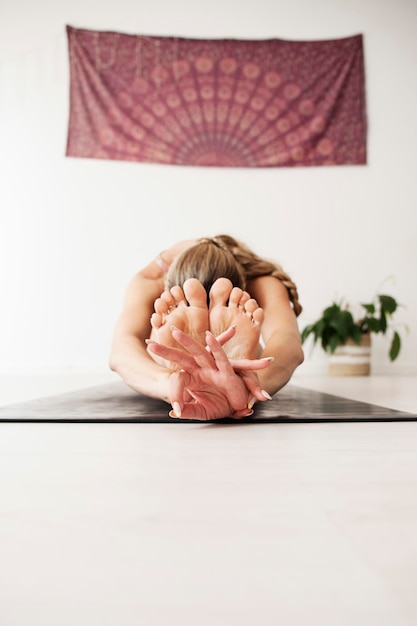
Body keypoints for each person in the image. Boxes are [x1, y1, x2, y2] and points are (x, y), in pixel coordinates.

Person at [109, 234, 304, 420]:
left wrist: (249, 385)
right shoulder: (152, 279)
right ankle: (211, 359)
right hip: (192, 349)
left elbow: (287, 340)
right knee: (158, 332)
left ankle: (207, 361)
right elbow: (123, 348)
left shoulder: (261, 279)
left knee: (158, 335)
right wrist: (169, 383)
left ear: (244, 285)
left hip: (185, 356)